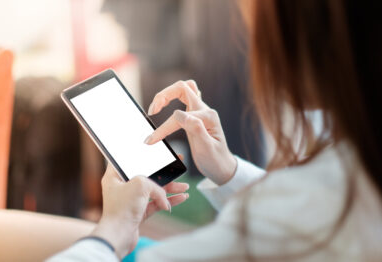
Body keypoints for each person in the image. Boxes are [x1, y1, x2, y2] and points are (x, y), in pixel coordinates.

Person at [48, 0, 382, 261]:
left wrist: (113, 229)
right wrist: (230, 171)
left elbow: (293, 216)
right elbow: (303, 209)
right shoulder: (352, 172)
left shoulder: (305, 213)